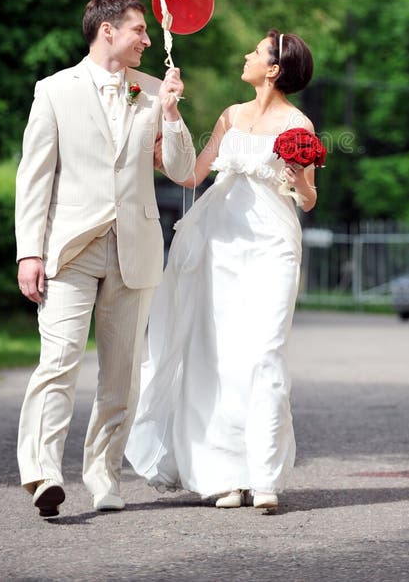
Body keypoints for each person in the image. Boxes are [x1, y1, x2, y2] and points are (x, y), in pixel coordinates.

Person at [15, 0, 195, 518]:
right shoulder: (53, 91)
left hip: (134, 247)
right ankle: (44, 472)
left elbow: (182, 170)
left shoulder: (155, 90)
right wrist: (30, 252)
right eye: (139, 29)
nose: (147, 38)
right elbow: (34, 177)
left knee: (121, 373)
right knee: (60, 360)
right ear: (108, 31)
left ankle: (103, 473)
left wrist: (174, 115)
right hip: (70, 247)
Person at [126, 29, 319, 513]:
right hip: (218, 243)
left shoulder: (300, 125)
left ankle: (265, 476)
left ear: (274, 68)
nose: (246, 55)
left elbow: (310, 200)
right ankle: (225, 475)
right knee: (217, 354)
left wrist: (298, 181)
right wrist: (168, 117)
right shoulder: (231, 116)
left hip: (272, 243)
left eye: (255, 52)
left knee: (265, 352)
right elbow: (192, 174)